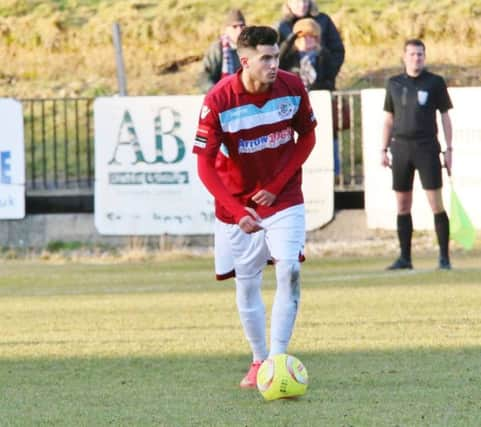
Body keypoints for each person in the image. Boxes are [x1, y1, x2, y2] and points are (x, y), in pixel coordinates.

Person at [193, 25, 317, 388]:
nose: (273, 64)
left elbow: (307, 136)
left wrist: (277, 186)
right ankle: (258, 358)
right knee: (247, 284)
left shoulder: (293, 88)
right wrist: (236, 209)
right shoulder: (218, 100)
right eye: (265, 58)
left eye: (276, 56)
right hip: (238, 204)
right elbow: (204, 163)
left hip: (284, 198)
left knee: (288, 269)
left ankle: (278, 359)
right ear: (244, 60)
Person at [381, 38, 453, 270]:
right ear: (404, 57)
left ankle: (444, 258)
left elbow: (445, 116)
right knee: (403, 204)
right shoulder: (394, 83)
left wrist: (449, 148)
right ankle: (405, 258)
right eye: (412, 54)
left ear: (425, 56)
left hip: (427, 147)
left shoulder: (435, 82)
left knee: (436, 203)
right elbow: (389, 118)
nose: (416, 58)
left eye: (420, 54)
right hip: (401, 148)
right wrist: (383, 148)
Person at [276, 0, 344, 90]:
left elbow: (337, 49)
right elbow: (277, 57)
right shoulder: (282, 26)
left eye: (305, 1)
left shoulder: (323, 20)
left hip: (321, 80)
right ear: (288, 3)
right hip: (293, 83)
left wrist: (329, 75)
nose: (302, 5)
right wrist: (289, 43)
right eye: (296, 2)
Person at [279, 17, 335, 91]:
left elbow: (330, 82)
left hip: (317, 97)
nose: (307, 40)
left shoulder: (324, 55)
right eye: (304, 36)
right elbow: (278, 63)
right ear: (297, 39)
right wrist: (288, 42)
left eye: (311, 36)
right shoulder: (289, 55)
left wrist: (314, 87)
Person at [199, 9, 246, 92]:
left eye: (242, 26)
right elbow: (205, 76)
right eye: (234, 27)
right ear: (227, 29)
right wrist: (214, 92)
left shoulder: (251, 48)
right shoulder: (217, 48)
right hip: (222, 95)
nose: (239, 30)